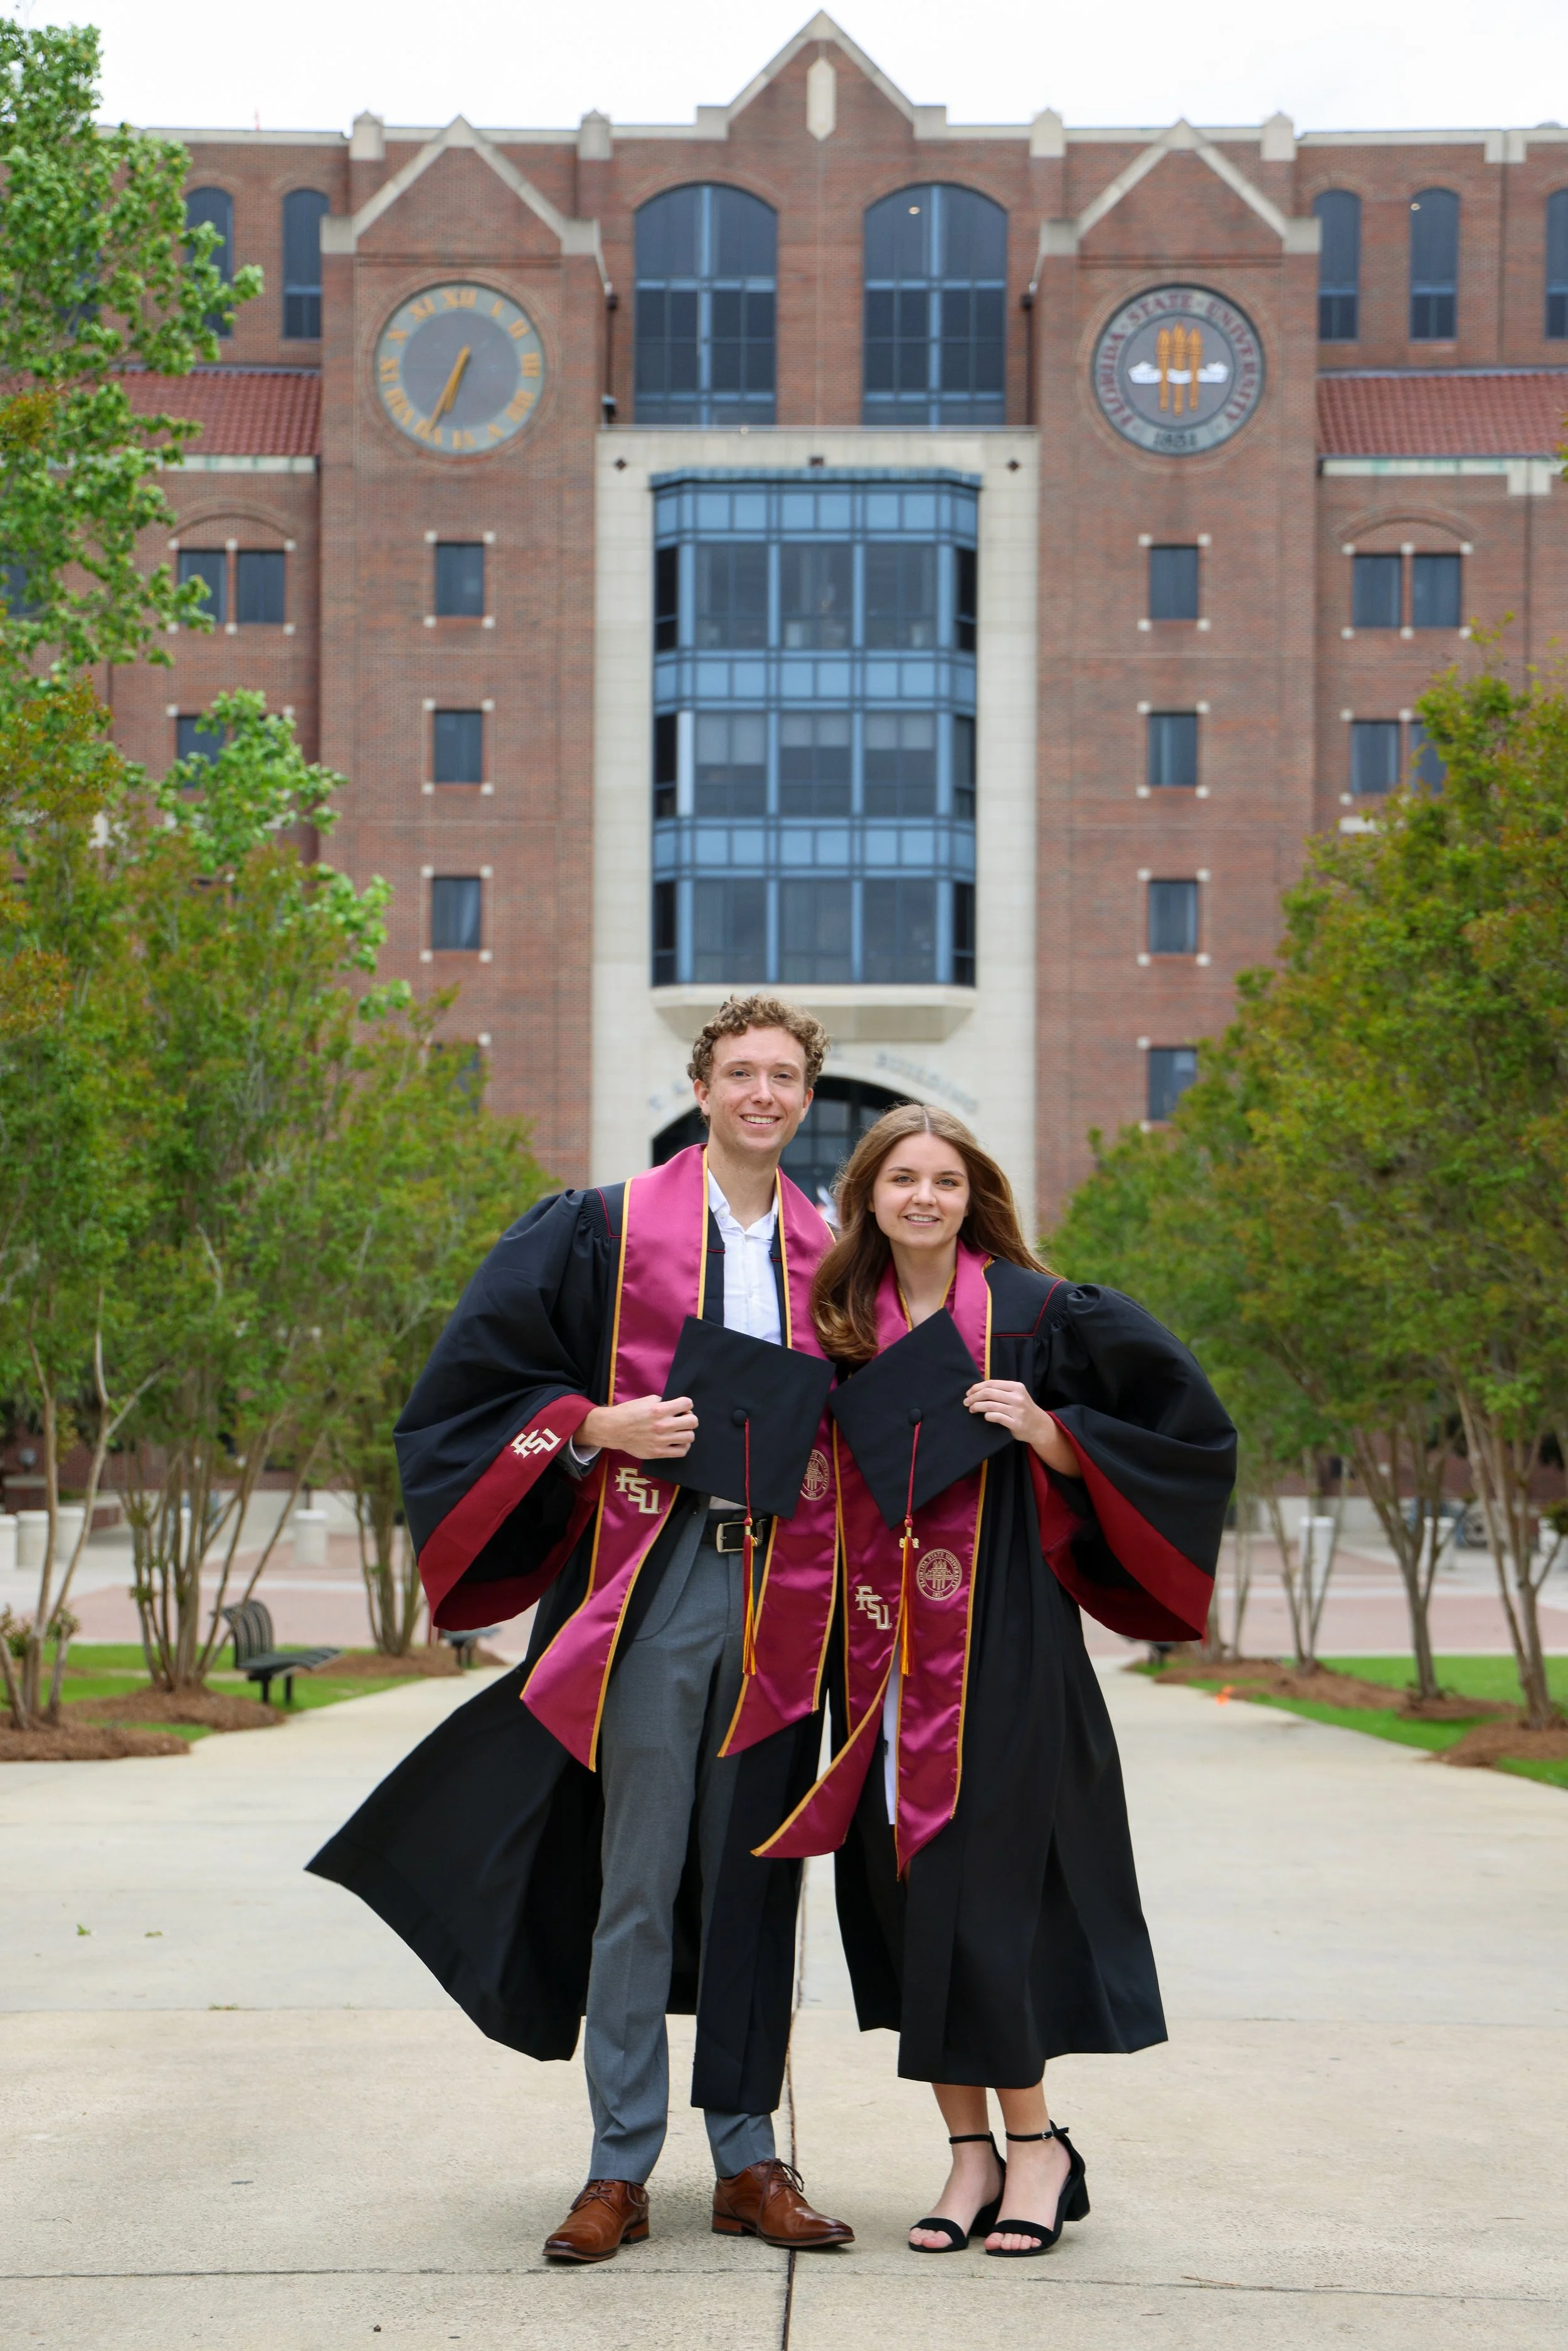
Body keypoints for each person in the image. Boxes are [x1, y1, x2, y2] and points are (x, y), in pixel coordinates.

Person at [308, 999, 854, 2264]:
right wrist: (594, 1425)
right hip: (652, 1591)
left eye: (782, 1073)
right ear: (703, 1086)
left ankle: (744, 2153)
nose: (761, 1091)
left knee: (755, 1882)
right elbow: (472, 1379)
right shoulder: (602, 1229)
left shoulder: (839, 1251)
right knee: (635, 1879)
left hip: (785, 1599)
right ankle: (618, 2162)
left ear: (805, 1092)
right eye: (740, 1071)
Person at [758, 1103, 1235, 2258]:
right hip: (873, 1662)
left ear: (977, 1199)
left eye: (949, 1181)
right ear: (866, 1194)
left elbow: (1192, 1435)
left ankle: (1038, 2150)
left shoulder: (1042, 1316)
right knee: (912, 1894)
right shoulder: (831, 1327)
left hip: (1007, 1648)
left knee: (989, 1893)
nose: (926, 1197)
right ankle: (969, 2156)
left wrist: (1049, 1429)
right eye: (904, 1178)